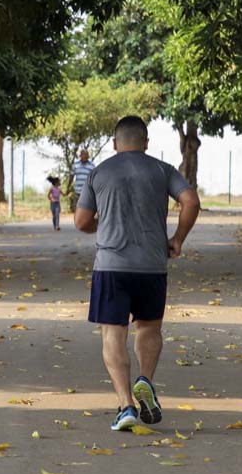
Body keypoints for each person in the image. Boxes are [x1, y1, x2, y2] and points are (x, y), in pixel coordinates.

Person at [75, 115, 201, 431]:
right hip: (152, 265)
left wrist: (99, 225)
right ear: (145, 143)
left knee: (113, 333)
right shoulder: (162, 170)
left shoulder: (100, 172)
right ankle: (145, 379)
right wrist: (178, 239)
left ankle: (125, 405)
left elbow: (81, 221)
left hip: (111, 266)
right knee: (149, 328)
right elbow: (190, 200)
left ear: (115, 143)